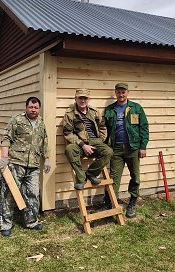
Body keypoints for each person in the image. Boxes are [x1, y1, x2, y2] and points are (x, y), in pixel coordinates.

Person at [0, 96, 51, 236]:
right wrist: (4, 157)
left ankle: (31, 221)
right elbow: (7, 138)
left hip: (34, 165)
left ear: (39, 109)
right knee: (9, 193)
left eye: (36, 107)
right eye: (31, 107)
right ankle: (5, 223)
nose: (33, 110)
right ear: (26, 108)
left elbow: (44, 142)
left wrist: (47, 159)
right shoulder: (17, 120)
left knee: (33, 194)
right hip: (16, 163)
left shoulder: (41, 123)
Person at [104, 82, 149, 218]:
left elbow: (144, 128)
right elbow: (103, 129)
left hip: (133, 148)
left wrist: (143, 146)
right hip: (116, 149)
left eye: (123, 92)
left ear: (127, 93)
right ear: (115, 93)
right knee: (113, 179)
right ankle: (110, 203)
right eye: (118, 92)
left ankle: (132, 202)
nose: (121, 94)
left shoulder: (136, 108)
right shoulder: (110, 109)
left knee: (135, 177)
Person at [63, 88, 113, 190]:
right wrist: (83, 145)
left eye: (85, 98)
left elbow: (102, 127)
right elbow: (68, 133)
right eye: (80, 98)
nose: (82, 101)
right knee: (69, 149)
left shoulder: (95, 112)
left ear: (88, 99)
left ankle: (91, 173)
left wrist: (101, 140)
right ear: (75, 98)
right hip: (80, 144)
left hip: (96, 141)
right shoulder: (69, 114)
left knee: (108, 151)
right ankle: (81, 178)